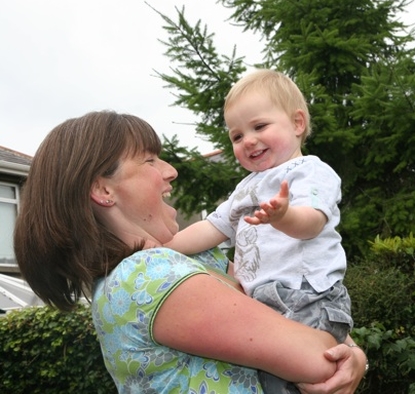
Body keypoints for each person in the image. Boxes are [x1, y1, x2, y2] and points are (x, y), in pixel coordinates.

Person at [13, 110, 367, 394]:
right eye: (150, 161)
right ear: (103, 189)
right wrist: (349, 355)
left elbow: (305, 302)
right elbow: (319, 360)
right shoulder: (146, 278)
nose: (171, 171)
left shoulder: (194, 261)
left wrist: (355, 355)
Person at [164, 69, 354, 394]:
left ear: (297, 124)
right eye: (237, 136)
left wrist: (283, 216)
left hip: (306, 295)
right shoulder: (245, 188)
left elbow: (312, 222)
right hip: (263, 303)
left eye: (260, 126)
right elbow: (211, 227)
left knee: (310, 380)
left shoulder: (309, 170)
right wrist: (162, 245)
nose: (248, 140)